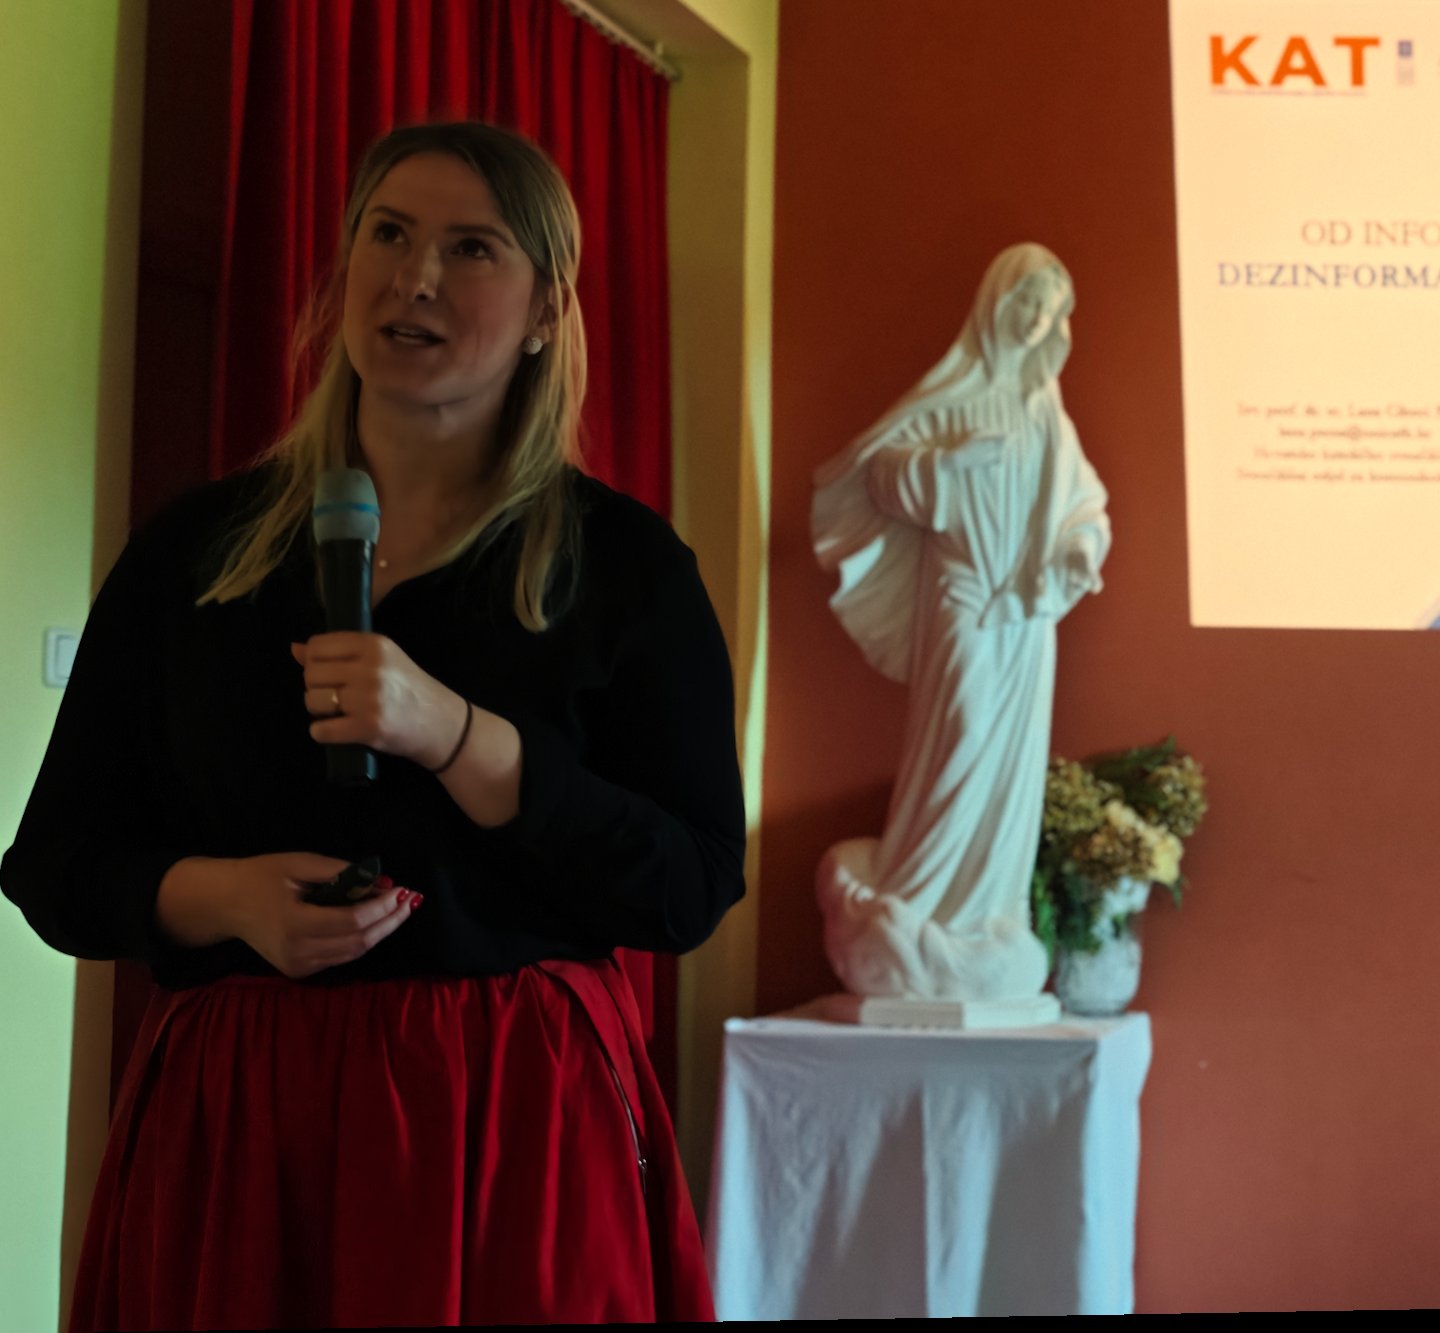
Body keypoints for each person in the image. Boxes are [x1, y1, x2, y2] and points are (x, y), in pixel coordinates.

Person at [0, 121, 743, 1329]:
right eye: (388, 235)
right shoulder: (193, 553)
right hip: (241, 1134)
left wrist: (457, 735)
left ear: (547, 310)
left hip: (509, 1137)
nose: (416, 278)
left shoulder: (624, 567)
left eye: (471, 247)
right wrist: (225, 899)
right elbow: (56, 865)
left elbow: (691, 883)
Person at [809, 244, 1110, 1002]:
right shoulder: (951, 399)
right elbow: (880, 475)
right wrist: (948, 464)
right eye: (1026, 301)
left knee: (1010, 762)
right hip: (963, 590)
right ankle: (911, 898)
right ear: (996, 303)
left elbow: (1084, 504)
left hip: (1027, 612)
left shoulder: (1046, 414)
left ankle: (984, 916)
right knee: (964, 732)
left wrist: (1079, 544)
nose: (1035, 319)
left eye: (1048, 309)